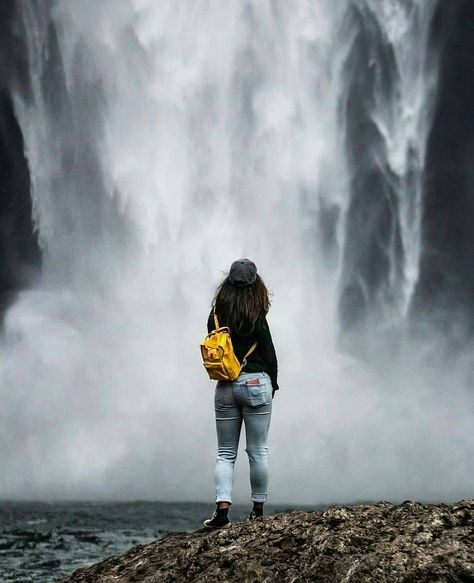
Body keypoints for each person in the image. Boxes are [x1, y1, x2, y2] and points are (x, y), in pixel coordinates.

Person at [203, 258, 279, 529]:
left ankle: (221, 512)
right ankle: (257, 512)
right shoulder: (257, 315)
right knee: (258, 450)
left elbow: (213, 343)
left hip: (225, 386)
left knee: (225, 452)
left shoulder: (216, 314)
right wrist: (274, 384)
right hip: (257, 384)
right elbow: (269, 353)